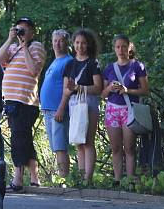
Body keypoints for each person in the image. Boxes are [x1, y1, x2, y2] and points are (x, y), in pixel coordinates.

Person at [0, 17, 45, 192]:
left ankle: (18, 178)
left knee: (18, 137)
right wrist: (10, 39)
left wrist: (24, 45)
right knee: (24, 138)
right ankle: (34, 178)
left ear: (32, 32)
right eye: (19, 29)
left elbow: (33, 70)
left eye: (25, 30)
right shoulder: (12, 47)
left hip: (26, 101)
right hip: (11, 100)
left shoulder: (35, 47)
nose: (21, 33)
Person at [101, 35, 150, 185]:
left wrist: (127, 90)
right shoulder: (109, 68)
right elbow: (102, 94)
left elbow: (145, 90)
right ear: (114, 49)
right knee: (115, 147)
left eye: (123, 46)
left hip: (129, 110)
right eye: (118, 47)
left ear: (129, 47)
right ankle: (117, 179)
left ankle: (130, 179)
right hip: (112, 110)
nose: (121, 50)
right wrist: (110, 88)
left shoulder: (137, 66)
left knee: (129, 147)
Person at [59, 29, 103, 184]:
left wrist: (80, 88)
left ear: (89, 44)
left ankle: (88, 179)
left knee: (88, 141)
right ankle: (81, 176)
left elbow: (98, 88)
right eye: (77, 42)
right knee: (79, 142)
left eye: (83, 43)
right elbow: (65, 89)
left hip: (89, 104)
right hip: (74, 105)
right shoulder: (69, 64)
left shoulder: (93, 63)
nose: (80, 46)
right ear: (73, 44)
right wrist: (71, 89)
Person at [40, 29, 73, 179]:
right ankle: (62, 178)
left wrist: (61, 107)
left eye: (61, 41)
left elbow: (68, 88)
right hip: (48, 110)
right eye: (55, 41)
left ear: (67, 43)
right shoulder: (55, 61)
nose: (57, 44)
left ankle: (64, 179)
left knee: (60, 147)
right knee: (56, 147)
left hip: (58, 110)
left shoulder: (68, 61)